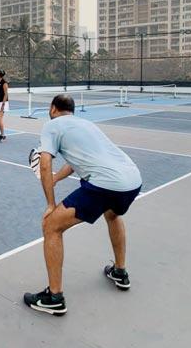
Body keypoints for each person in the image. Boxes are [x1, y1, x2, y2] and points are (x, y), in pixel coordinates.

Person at [23, 93, 143, 316]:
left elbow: (45, 162)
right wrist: (57, 179)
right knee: (113, 214)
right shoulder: (86, 124)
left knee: (51, 226)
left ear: (52, 109)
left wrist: (50, 204)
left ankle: (54, 297)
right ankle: (120, 271)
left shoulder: (52, 125)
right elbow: (74, 161)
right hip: (133, 180)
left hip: (106, 183)